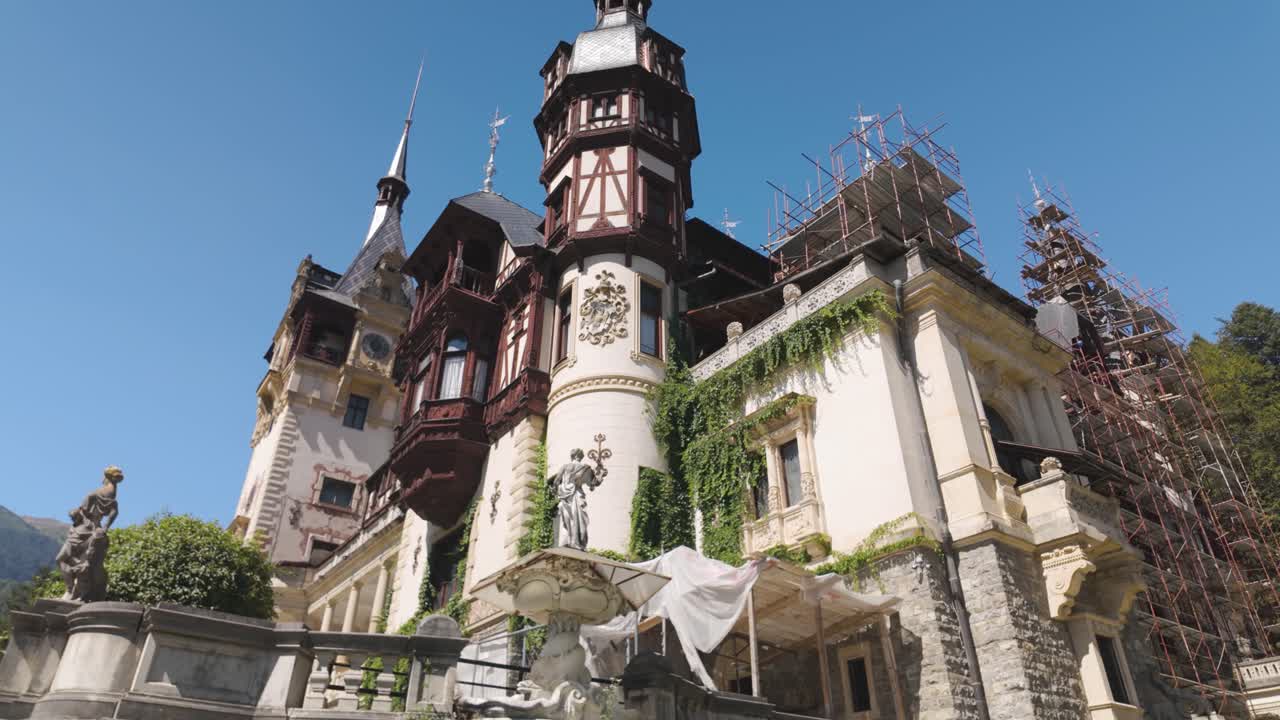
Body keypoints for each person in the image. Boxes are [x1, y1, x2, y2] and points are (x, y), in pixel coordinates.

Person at [58, 466, 123, 602]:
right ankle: (74, 589)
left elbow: (82, 512)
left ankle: (70, 590)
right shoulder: (111, 496)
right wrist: (104, 527)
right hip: (95, 530)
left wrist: (74, 513)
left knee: (62, 559)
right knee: (78, 563)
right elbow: (114, 512)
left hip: (82, 531)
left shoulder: (94, 495)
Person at [550, 450, 601, 550]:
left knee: (568, 519)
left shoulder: (565, 467)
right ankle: (577, 541)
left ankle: (569, 540)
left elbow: (556, 481)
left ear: (572, 456)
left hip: (565, 497)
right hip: (577, 495)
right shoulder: (585, 468)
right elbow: (593, 484)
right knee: (579, 519)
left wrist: (556, 490)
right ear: (579, 456)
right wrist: (600, 475)